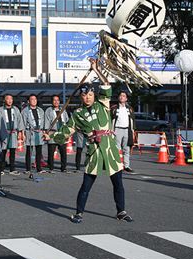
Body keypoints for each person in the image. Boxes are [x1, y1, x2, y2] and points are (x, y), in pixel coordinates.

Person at [45, 58, 133, 224]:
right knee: (86, 185)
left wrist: (96, 68)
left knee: (118, 183)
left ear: (94, 95)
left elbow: (106, 84)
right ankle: (79, 213)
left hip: (110, 149)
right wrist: (49, 136)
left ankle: (121, 211)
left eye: (90, 94)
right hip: (93, 151)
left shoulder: (103, 104)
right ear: (81, 97)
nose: (87, 98)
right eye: (84, 95)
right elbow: (66, 131)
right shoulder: (77, 114)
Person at [0, 94, 24, 175]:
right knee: (3, 151)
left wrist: (20, 132)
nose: (9, 100)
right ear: (4, 100)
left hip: (13, 133)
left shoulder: (16, 109)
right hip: (4, 132)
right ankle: (1, 169)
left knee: (12, 151)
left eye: (11, 99)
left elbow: (20, 120)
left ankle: (12, 169)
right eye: (8, 99)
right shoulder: (0, 110)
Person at [111, 91, 136, 173]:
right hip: (117, 130)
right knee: (117, 148)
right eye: (120, 95)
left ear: (126, 98)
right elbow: (110, 119)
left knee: (126, 149)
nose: (122, 97)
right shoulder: (114, 108)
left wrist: (133, 130)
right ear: (118, 97)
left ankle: (127, 166)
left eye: (124, 96)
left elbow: (133, 120)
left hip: (127, 130)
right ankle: (117, 165)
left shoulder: (130, 109)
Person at [44, 95, 70, 173]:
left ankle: (63, 167)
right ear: (52, 101)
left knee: (63, 151)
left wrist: (67, 132)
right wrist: (46, 132)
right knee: (51, 151)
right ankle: (51, 167)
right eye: (54, 100)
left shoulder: (63, 110)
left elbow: (66, 120)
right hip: (52, 131)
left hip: (62, 132)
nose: (56, 102)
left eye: (57, 100)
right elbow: (47, 121)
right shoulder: (48, 110)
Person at [22, 94, 46, 175]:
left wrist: (44, 131)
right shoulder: (25, 111)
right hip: (30, 132)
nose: (34, 101)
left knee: (39, 151)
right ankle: (28, 168)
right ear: (29, 101)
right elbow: (23, 123)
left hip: (39, 132)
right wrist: (23, 134)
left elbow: (43, 122)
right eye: (32, 99)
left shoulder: (40, 110)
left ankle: (39, 168)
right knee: (29, 151)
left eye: (35, 99)